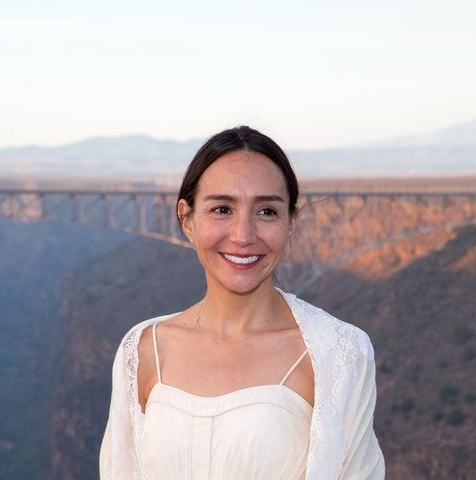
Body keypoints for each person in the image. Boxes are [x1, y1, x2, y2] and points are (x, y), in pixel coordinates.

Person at [99, 126, 385, 479]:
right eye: (222, 209)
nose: (243, 235)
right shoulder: (141, 349)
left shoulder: (339, 353)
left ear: (290, 221)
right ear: (186, 219)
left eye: (266, 211)